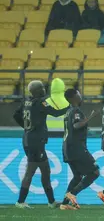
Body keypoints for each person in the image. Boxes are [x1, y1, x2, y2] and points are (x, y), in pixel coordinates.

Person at [13, 80, 69, 209]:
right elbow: (56, 113)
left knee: (45, 171)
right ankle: (20, 201)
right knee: (31, 171)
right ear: (37, 91)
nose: (44, 90)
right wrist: (69, 106)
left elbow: (16, 115)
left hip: (29, 139)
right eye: (42, 88)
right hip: (36, 142)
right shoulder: (40, 103)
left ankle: (51, 201)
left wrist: (26, 127)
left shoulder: (26, 101)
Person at [60, 89, 100, 210]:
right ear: (73, 98)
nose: (81, 96)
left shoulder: (68, 112)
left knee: (77, 176)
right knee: (94, 172)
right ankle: (72, 194)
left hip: (68, 148)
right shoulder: (76, 111)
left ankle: (64, 203)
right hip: (77, 148)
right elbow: (76, 125)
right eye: (79, 94)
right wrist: (91, 117)